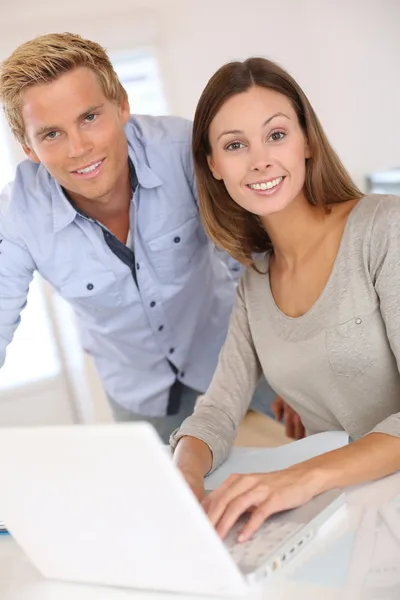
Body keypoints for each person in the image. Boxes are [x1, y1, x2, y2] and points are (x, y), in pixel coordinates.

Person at [0, 34, 277, 442]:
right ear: (29, 147)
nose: (79, 148)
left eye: (89, 117)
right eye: (52, 135)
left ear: (122, 106)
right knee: (171, 498)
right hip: (138, 391)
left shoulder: (182, 150)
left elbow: (252, 258)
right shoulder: (18, 217)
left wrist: (286, 356)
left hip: (231, 347)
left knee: (325, 435)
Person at [171, 57, 400, 541]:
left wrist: (298, 478)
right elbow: (217, 410)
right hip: (348, 518)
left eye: (276, 135)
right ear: (213, 165)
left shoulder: (384, 229)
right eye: (235, 145)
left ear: (307, 140)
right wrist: (184, 476)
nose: (260, 161)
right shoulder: (254, 282)